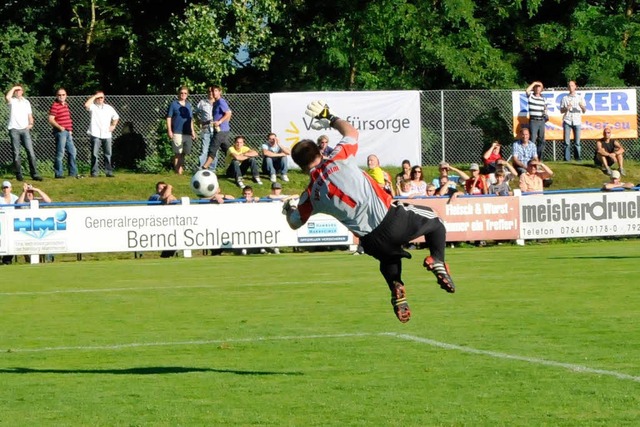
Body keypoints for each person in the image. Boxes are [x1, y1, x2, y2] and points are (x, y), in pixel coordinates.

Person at [284, 100, 456, 324]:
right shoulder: (338, 156)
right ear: (319, 151)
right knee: (436, 221)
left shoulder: (309, 195)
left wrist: (288, 209)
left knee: (389, 256)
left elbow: (295, 222)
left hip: (370, 240)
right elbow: (351, 131)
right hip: (390, 218)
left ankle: (396, 285)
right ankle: (439, 261)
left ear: (299, 166)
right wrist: (329, 116)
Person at [5, 85, 43, 182]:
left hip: (25, 129)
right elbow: (7, 97)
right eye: (16, 90)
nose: (18, 92)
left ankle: (34, 174)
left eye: (19, 90)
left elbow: (29, 115)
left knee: (30, 152)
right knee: (16, 153)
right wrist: (14, 87)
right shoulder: (12, 101)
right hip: (14, 129)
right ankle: (19, 174)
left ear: (22, 92)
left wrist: (31, 123)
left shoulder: (26, 102)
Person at [84, 91, 119, 177]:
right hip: (95, 133)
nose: (100, 99)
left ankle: (109, 172)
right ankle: (94, 172)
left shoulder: (108, 108)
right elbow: (86, 105)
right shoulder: (93, 107)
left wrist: (113, 125)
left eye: (102, 97)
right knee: (94, 154)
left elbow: (116, 117)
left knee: (108, 154)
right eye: (98, 98)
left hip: (106, 134)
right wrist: (95, 95)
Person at [48, 87, 79, 179]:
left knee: (72, 151)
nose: (61, 96)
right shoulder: (55, 105)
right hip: (60, 132)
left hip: (68, 132)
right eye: (59, 95)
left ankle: (73, 172)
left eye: (63, 95)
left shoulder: (65, 105)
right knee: (60, 153)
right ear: (56, 96)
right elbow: (50, 119)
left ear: (66, 95)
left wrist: (70, 130)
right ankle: (59, 174)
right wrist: (60, 127)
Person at [202, 85, 233, 171]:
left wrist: (220, 122)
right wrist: (206, 122)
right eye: (212, 91)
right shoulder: (215, 103)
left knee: (213, 147)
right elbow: (218, 116)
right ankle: (237, 164)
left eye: (215, 91)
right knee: (227, 150)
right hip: (219, 130)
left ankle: (204, 167)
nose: (213, 93)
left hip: (222, 130)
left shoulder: (221, 102)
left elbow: (228, 113)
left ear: (220, 92)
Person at [166, 86, 196, 175]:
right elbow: (169, 117)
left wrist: (193, 131)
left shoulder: (188, 105)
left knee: (184, 152)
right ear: (178, 94)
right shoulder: (174, 104)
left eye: (185, 93)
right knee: (177, 153)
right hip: (177, 131)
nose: (183, 95)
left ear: (187, 95)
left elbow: (190, 119)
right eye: (181, 93)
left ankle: (180, 169)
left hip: (187, 132)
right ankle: (178, 172)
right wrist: (169, 130)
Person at [560, 80, 586, 161]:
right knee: (566, 142)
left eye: (572, 85)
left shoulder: (580, 97)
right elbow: (561, 110)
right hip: (567, 120)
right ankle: (567, 159)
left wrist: (582, 106)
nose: (571, 87)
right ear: (568, 87)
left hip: (577, 121)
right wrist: (566, 108)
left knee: (577, 142)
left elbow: (584, 110)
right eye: (569, 86)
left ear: (575, 86)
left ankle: (578, 158)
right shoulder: (565, 98)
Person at [195, 86, 216, 170]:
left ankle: (212, 169)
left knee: (214, 150)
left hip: (216, 128)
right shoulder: (202, 102)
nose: (210, 93)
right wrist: (199, 121)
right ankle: (201, 167)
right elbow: (195, 113)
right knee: (204, 149)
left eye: (212, 91)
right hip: (206, 127)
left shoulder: (219, 102)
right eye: (209, 91)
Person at [525, 81, 548, 159]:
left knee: (541, 140)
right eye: (536, 88)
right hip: (533, 121)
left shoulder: (543, 98)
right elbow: (527, 90)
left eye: (539, 88)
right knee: (533, 139)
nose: (538, 89)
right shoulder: (531, 96)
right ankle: (531, 157)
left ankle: (539, 158)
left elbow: (545, 108)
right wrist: (534, 83)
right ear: (534, 89)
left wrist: (545, 114)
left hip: (541, 121)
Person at [0, 180, 18, 264]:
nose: (5, 189)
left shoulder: (15, 198)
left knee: (11, 240)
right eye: (4, 187)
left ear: (10, 188)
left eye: (7, 187)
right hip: (1, 223)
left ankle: (7, 259)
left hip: (11, 224)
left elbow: (20, 205)